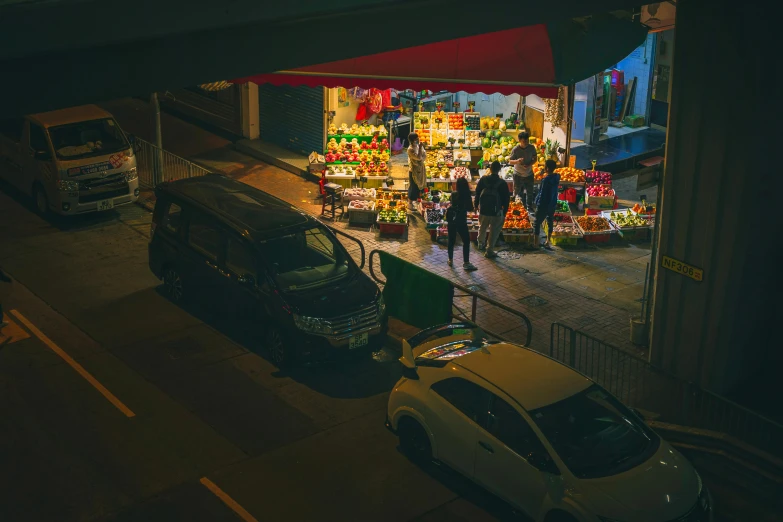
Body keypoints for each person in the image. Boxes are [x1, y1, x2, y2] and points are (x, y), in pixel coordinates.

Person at [474, 161, 510, 259]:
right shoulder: (502, 183)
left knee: (482, 227)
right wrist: (505, 211)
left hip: (484, 209)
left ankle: (480, 244)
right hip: (496, 212)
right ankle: (489, 250)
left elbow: (477, 193)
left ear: (490, 169)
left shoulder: (483, 180)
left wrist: (476, 205)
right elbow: (506, 198)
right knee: (494, 231)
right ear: (499, 170)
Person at [446, 177, 478, 271]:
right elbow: (470, 209)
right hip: (461, 221)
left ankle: (450, 260)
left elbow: (452, 203)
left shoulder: (454, 194)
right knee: (466, 241)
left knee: (451, 240)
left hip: (452, 220)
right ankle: (466, 262)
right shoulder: (467, 196)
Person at [533, 159, 561, 250]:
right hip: (552, 204)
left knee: (537, 223)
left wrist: (537, 203)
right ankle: (547, 242)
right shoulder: (557, 177)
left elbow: (542, 193)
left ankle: (535, 243)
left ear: (547, 168)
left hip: (543, 204)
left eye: (545, 166)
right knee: (550, 221)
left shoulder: (546, 180)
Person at [508, 131, 538, 211]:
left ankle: (529, 207)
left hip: (529, 174)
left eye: (527, 141)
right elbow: (510, 161)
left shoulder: (531, 148)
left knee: (530, 192)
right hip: (517, 174)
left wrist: (529, 164)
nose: (526, 143)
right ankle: (514, 208)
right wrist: (517, 161)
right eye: (524, 141)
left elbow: (535, 159)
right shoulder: (516, 149)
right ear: (519, 140)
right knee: (516, 191)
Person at [407, 132, 427, 211]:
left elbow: (424, 155)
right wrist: (421, 154)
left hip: (421, 169)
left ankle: (418, 202)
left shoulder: (418, 146)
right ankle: (410, 203)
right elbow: (419, 158)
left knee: (420, 186)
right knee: (413, 186)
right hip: (414, 170)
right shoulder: (410, 149)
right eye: (416, 139)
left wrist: (422, 155)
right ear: (413, 140)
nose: (418, 140)